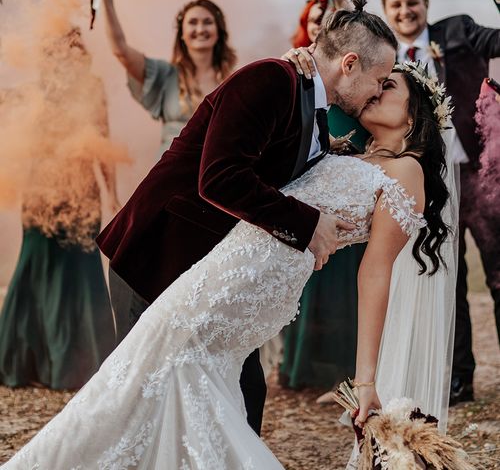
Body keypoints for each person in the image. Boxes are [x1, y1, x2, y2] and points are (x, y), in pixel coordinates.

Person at [1, 54, 453, 469]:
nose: (375, 90)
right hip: (227, 266)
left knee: (172, 365)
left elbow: (375, 272)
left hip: (255, 281)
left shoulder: (407, 171)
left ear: (415, 115)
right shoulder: (353, 151)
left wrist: (367, 380)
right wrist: (303, 67)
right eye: (377, 81)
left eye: (387, 86)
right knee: (165, 370)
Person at [380, 0, 500, 405]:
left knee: (499, 276)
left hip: (481, 178)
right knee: (447, 279)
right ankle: (460, 380)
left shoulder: (458, 33)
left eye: (413, 2)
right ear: (386, 12)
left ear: (426, 5)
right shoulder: (381, 56)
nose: (406, 10)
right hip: (428, 186)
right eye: (397, 4)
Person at [0, 28, 117, 390]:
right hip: (40, 194)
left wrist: (112, 193)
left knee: (81, 270)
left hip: (82, 192)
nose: (63, 55)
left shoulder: (92, 88)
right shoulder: (30, 92)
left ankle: (79, 366)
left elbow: (103, 140)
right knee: (37, 266)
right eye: (55, 49)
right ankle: (24, 362)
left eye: (71, 47)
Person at [280, 0, 370, 393]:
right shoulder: (293, 65)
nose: (320, 22)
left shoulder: (357, 77)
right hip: (308, 176)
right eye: (315, 17)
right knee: (308, 271)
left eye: (327, 17)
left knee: (344, 273)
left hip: (353, 160)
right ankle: (301, 366)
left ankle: (345, 366)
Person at [97, 0, 237, 155]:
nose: (200, 28)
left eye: (208, 22)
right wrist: (107, 0)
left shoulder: (232, 82)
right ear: (182, 35)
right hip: (173, 175)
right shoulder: (165, 75)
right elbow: (120, 50)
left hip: (212, 175)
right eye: (193, 22)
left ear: (219, 31)